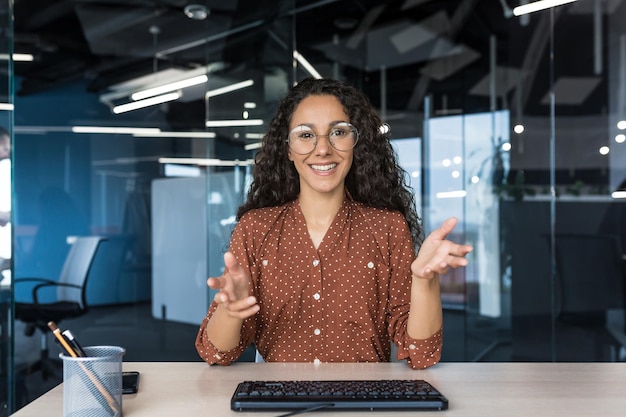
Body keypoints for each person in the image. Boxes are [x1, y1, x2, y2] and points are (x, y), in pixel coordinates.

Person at [195, 77, 473, 369]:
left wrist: (425, 280)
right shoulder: (255, 229)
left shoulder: (388, 228)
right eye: (306, 135)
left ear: (355, 142)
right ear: (288, 148)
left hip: (364, 404)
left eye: (338, 132)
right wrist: (230, 311)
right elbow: (216, 354)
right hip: (278, 402)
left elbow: (422, 353)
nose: (323, 149)